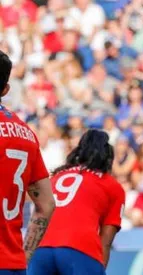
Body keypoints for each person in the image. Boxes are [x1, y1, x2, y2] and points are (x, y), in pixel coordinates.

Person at [28, 129, 126, 274]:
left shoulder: (56, 177)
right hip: (80, 249)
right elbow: (106, 241)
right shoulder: (112, 186)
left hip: (41, 250)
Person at [0, 50, 55, 275]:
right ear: (5, 90)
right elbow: (47, 205)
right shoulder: (26, 134)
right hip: (13, 263)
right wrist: (25, 253)